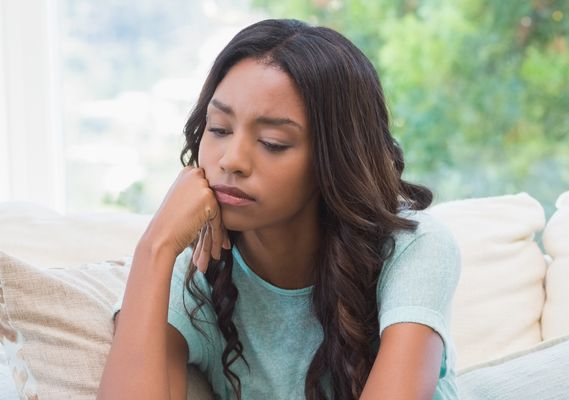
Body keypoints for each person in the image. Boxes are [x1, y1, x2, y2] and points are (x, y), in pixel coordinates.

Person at [99, 19, 460, 400]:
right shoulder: (194, 276)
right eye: (219, 129)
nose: (232, 160)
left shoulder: (414, 249)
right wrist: (154, 247)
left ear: (335, 159)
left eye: (273, 142)